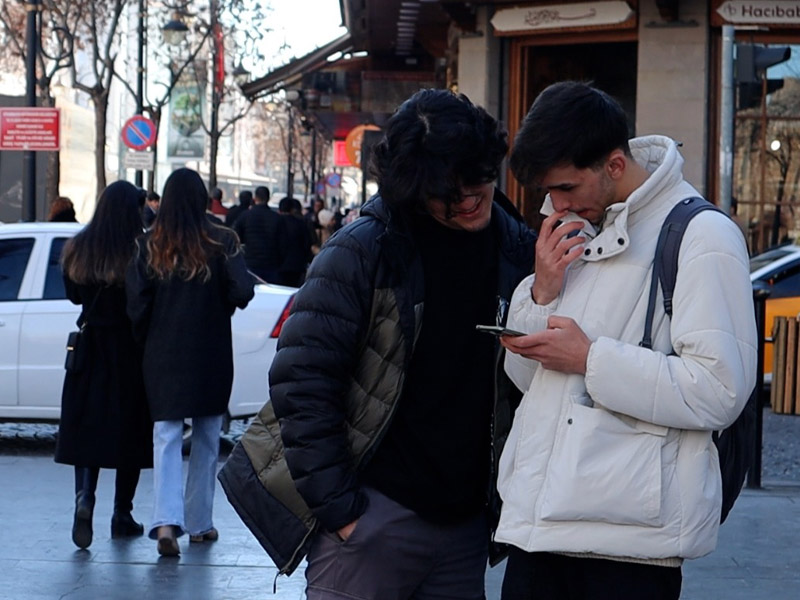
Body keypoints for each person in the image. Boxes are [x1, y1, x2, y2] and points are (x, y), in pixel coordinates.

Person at [222, 89, 536, 598]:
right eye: (448, 189)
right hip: (372, 519)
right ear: (414, 185)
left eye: (478, 176)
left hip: (464, 528)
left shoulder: (517, 249)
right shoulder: (361, 251)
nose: (470, 195)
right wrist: (342, 512)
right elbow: (302, 384)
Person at [495, 81, 758, 600]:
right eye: (548, 193)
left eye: (567, 188)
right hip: (539, 531)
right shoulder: (574, 229)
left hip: (628, 545)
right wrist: (542, 293)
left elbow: (719, 389)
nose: (555, 204)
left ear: (614, 165)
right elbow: (528, 382)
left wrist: (591, 358)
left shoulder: (703, 235)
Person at [126, 168, 254, 557]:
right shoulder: (223, 240)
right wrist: (221, 305)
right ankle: (200, 523)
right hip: (210, 350)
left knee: (165, 437)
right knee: (206, 437)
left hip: (162, 352)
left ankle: (166, 522)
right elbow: (243, 289)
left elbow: (137, 305)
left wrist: (147, 339)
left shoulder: (148, 243)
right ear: (202, 198)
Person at [55, 180, 153, 550]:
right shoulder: (139, 249)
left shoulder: (79, 247)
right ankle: (122, 513)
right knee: (130, 431)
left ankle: (84, 496)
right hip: (128, 349)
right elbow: (144, 299)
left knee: (88, 428)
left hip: (90, 348)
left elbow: (73, 295)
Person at [233, 186, 284, 283]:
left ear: (255, 198)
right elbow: (283, 243)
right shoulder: (277, 218)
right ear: (268, 198)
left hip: (250, 262)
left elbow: (236, 237)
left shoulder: (245, 216)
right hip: (271, 263)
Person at [276, 196, 312, 287]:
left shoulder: (275, 222)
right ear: (292, 209)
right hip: (297, 265)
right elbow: (307, 243)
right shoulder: (301, 223)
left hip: (278, 265)